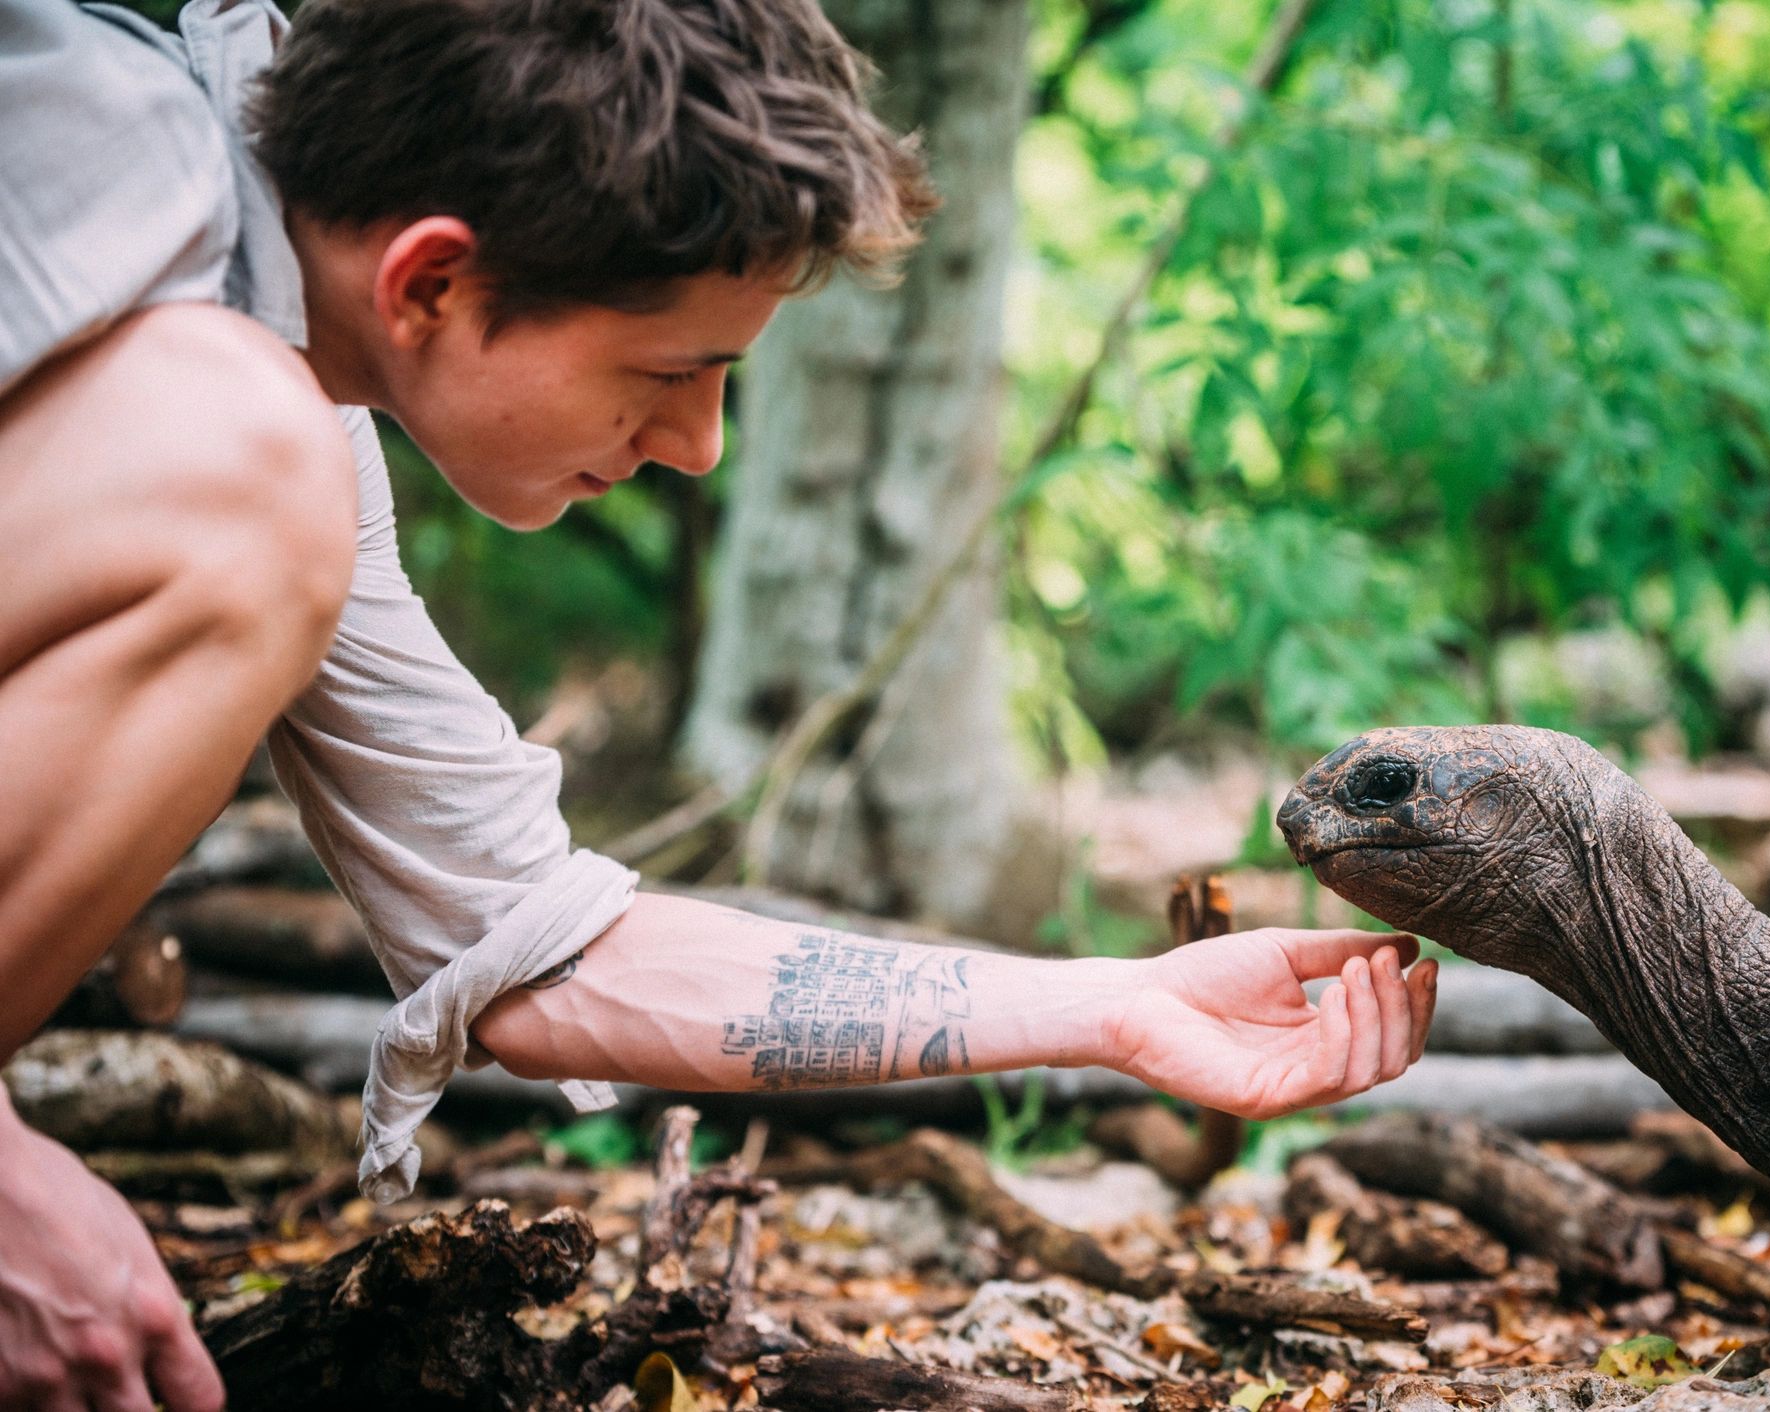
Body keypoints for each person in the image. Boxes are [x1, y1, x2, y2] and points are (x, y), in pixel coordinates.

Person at [0, 0, 1443, 1405]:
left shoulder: (289, 422)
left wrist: (1115, 1008)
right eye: (674, 370)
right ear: (431, 283)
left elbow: (541, 950)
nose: (699, 448)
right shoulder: (77, 156)